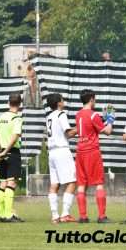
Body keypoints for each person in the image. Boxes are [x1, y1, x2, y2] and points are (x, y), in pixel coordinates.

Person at [74, 89, 114, 223]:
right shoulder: (93, 115)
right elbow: (107, 131)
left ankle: (83, 216)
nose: (95, 101)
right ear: (91, 99)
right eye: (94, 99)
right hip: (92, 151)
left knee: (81, 184)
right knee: (99, 183)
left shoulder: (78, 114)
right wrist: (110, 119)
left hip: (80, 151)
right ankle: (102, 216)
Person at [45, 93, 77, 224]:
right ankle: (65, 214)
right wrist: (81, 126)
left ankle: (55, 216)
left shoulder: (49, 117)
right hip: (62, 150)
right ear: (59, 103)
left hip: (51, 152)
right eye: (62, 100)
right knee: (72, 182)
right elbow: (68, 133)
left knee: (54, 184)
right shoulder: (61, 114)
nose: (64, 102)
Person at [0, 93, 24, 223]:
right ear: (20, 104)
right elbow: (15, 136)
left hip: (1, 153)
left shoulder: (2, 117)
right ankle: (8, 215)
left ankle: (2, 214)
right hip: (12, 152)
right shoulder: (16, 118)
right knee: (11, 183)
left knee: (3, 183)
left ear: (8, 103)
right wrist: (6, 151)